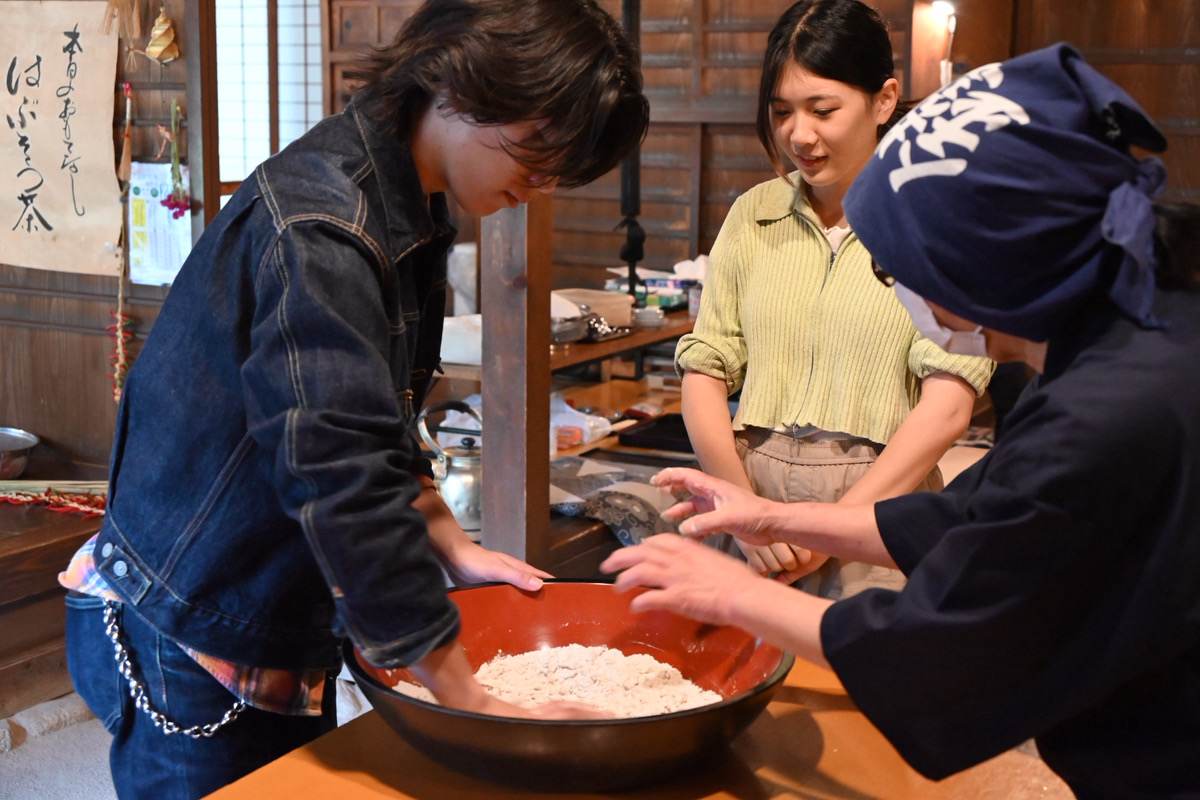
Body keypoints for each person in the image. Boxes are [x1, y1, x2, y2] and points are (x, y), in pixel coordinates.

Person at [58, 1, 649, 797]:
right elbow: (337, 465)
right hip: (193, 610)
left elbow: (377, 408)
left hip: (265, 594)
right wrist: (468, 694)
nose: (539, 186)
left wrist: (446, 536)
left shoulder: (408, 191)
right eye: (537, 154)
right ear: (458, 82)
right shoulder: (325, 223)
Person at [603, 43, 1200, 798]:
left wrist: (730, 595)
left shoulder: (1112, 411)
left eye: (897, 269)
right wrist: (771, 513)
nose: (898, 291)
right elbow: (972, 513)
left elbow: (948, 645)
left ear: (976, 262)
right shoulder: (1138, 319)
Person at [673, 0, 993, 596]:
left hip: (877, 508)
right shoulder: (754, 215)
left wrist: (834, 529)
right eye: (781, 112)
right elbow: (703, 366)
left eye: (823, 110)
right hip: (749, 501)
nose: (800, 134)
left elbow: (949, 404)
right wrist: (742, 508)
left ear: (884, 99)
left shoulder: (933, 220)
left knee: (858, 681)